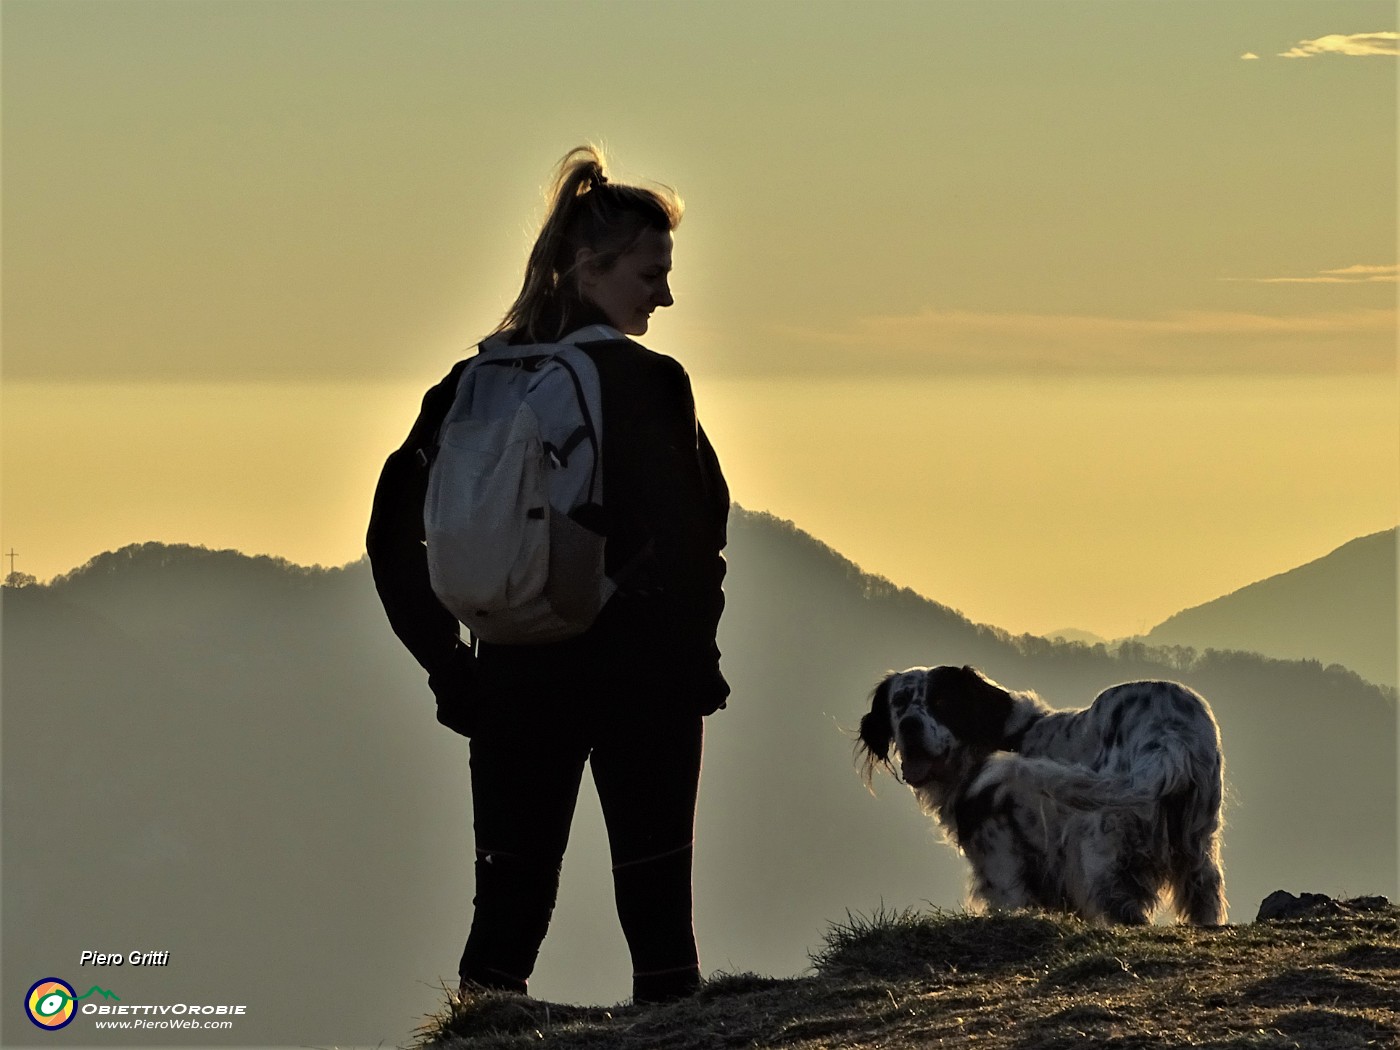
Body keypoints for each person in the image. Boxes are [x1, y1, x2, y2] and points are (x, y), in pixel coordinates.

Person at [366, 145, 729, 1005]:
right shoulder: (648, 383)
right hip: (642, 678)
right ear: (589, 269)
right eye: (651, 272)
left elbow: (391, 535)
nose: (666, 295)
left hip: (512, 673)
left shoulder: (472, 381)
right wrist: (695, 663)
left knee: (505, 915)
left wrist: (448, 665)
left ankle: (476, 1030)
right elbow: (694, 537)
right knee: (658, 916)